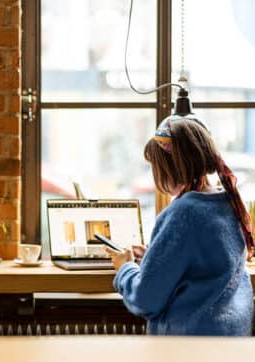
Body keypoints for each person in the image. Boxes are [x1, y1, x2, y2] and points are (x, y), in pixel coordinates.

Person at [106, 116, 254, 335]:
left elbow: (146, 299)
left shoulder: (184, 212)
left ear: (170, 168)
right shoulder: (228, 202)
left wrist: (125, 267)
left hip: (187, 348)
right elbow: (204, 266)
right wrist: (154, 256)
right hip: (231, 338)